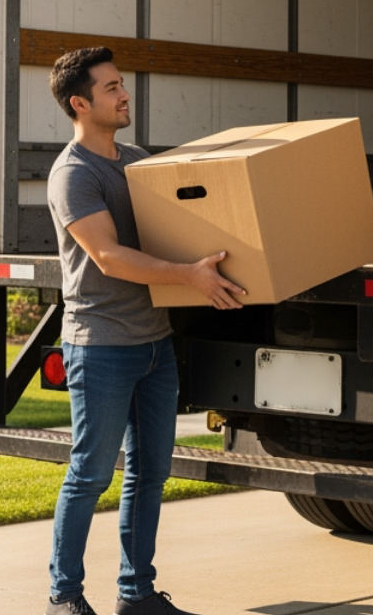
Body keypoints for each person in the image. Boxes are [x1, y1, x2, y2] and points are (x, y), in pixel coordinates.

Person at [44, 46, 246, 615]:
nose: (124, 94)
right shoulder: (73, 175)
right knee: (89, 475)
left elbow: (175, 227)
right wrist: (191, 276)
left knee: (151, 472)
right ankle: (65, 596)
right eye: (111, 88)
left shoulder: (136, 160)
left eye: (123, 84)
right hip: (101, 344)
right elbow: (109, 257)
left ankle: (136, 594)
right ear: (80, 103)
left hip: (154, 343)